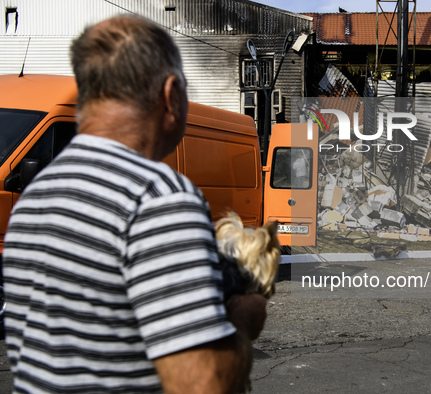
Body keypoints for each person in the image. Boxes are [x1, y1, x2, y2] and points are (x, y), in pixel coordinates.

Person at [2, 15, 266, 393]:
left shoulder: (34, 198)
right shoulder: (157, 195)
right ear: (170, 95)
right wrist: (244, 317)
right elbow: (201, 383)